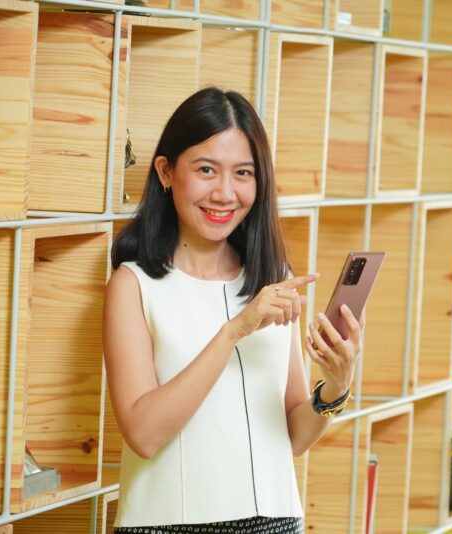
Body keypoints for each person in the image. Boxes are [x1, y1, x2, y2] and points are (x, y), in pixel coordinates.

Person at [103, 87, 364, 534]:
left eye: (243, 173)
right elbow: (143, 435)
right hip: (168, 527)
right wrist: (233, 331)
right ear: (166, 172)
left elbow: (294, 437)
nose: (225, 193)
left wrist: (336, 387)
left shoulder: (274, 279)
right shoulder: (133, 285)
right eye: (206, 170)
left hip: (277, 523)